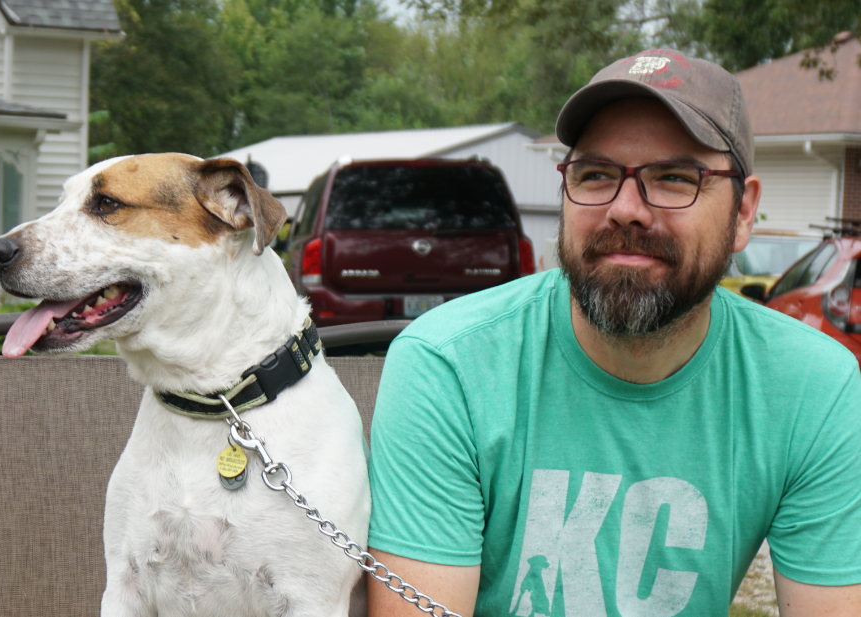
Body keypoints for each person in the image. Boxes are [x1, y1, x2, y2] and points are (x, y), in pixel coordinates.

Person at [366, 49, 861, 616]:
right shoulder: (448, 366)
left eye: (675, 178)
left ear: (744, 212)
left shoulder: (812, 388)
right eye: (596, 174)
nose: (626, 210)